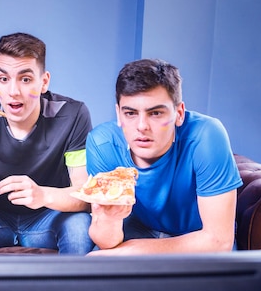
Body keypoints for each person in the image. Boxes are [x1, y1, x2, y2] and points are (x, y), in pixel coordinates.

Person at [0, 32, 94, 254]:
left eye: (25, 79)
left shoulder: (72, 114)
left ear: (44, 82)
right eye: (4, 79)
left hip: (49, 215)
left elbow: (84, 194)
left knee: (81, 227)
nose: (13, 92)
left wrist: (42, 195)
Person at [85, 58, 242, 255]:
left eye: (155, 113)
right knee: (96, 270)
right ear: (118, 114)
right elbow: (106, 241)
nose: (142, 126)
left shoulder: (207, 135)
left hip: (198, 239)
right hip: (141, 229)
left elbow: (219, 241)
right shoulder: (102, 144)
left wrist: (131, 251)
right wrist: (110, 220)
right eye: (131, 113)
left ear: (179, 113)